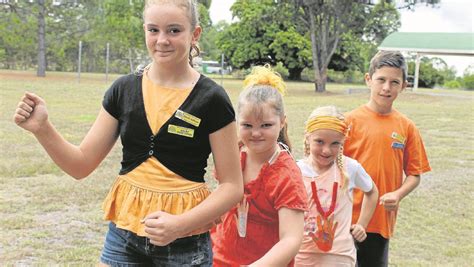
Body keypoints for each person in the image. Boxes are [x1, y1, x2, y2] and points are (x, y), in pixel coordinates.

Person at [13, 0, 243, 265]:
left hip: (186, 242)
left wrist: (180, 224)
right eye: (153, 30)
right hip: (124, 236)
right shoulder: (123, 89)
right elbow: (80, 165)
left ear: (195, 34)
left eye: (174, 30)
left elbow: (232, 187)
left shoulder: (212, 98)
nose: (162, 40)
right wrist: (43, 129)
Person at [211, 65, 308, 266]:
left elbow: (291, 239)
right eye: (247, 125)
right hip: (217, 258)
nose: (256, 133)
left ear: (282, 122)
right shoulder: (233, 154)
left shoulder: (286, 175)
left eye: (266, 125)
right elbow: (220, 200)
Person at [343, 51, 431, 266]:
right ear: (368, 79)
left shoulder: (406, 127)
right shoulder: (347, 122)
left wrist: (398, 194)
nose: (386, 87)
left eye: (394, 82)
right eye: (381, 79)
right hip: (345, 217)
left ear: (403, 86)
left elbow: (414, 174)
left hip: (380, 220)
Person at [294, 106, 379, 267]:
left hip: (340, 257)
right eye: (319, 142)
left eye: (335, 144)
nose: (326, 150)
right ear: (307, 138)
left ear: (343, 142)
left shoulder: (350, 168)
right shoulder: (295, 170)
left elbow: (372, 191)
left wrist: (362, 224)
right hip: (302, 256)